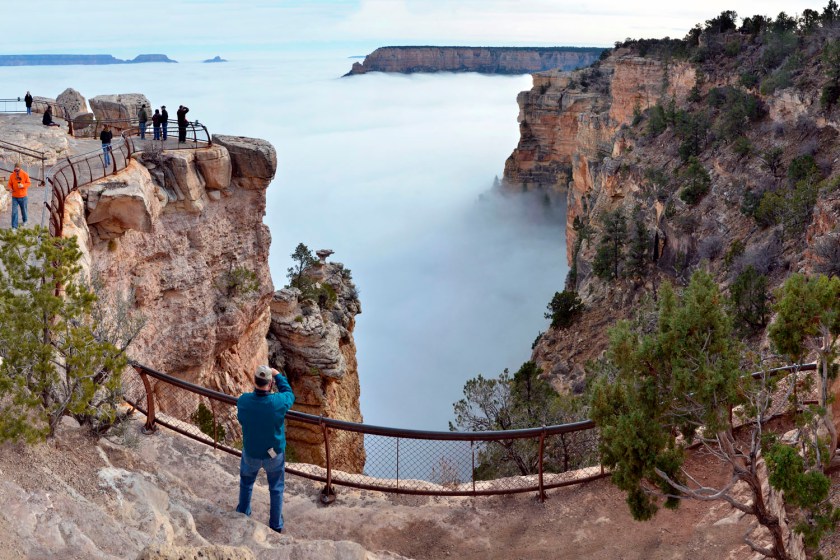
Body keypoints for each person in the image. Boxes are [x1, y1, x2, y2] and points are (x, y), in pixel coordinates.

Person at [236, 365, 295, 534]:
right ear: (270, 384)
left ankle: (243, 513)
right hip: (274, 455)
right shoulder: (277, 402)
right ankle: (276, 525)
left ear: (255, 382)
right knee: (276, 488)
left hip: (251, 452)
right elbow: (290, 394)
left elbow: (241, 419)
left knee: (246, 483)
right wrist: (278, 375)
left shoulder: (243, 400)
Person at [8, 162, 31, 229]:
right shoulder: (12, 175)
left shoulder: (25, 174)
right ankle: (14, 227)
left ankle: (25, 221)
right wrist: (10, 189)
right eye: (15, 169)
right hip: (14, 196)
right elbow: (9, 184)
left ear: (20, 168)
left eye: (17, 169)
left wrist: (23, 185)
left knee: (24, 210)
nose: (16, 170)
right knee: (14, 212)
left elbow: (29, 183)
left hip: (23, 196)